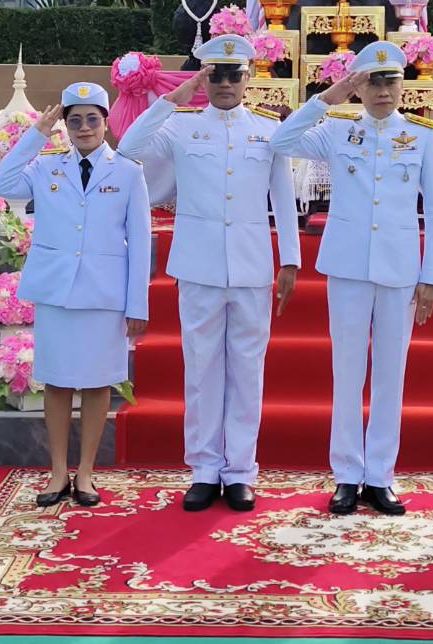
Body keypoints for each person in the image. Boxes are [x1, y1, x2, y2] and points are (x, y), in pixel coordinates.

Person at [117, 34, 301, 512]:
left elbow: (282, 199)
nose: (223, 83)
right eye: (214, 74)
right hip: (198, 265)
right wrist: (178, 95)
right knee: (200, 368)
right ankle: (203, 468)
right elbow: (131, 144)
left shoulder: (266, 130)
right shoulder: (179, 127)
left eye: (232, 75)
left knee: (246, 370)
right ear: (204, 78)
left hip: (251, 265)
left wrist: (291, 261)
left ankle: (240, 470)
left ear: (248, 78)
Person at [271, 42, 433, 515]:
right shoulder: (337, 131)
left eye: (389, 81)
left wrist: (432, 275)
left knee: (392, 374)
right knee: (347, 373)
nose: (382, 90)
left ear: (402, 85)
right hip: (348, 266)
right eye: (371, 81)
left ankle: (381, 477)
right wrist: (330, 96)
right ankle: (347, 475)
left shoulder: (422, 136)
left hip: (399, 269)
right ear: (358, 86)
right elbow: (282, 140)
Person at [0, 82, 150, 509]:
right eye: (74, 120)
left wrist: (137, 304)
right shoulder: (46, 168)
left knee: (99, 383)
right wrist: (37, 133)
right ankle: (58, 470)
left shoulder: (128, 172)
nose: (83, 128)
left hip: (104, 294)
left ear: (106, 123)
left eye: (92, 119)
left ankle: (86, 473)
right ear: (66, 125)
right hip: (57, 291)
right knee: (58, 382)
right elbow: (4, 182)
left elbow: (140, 241)